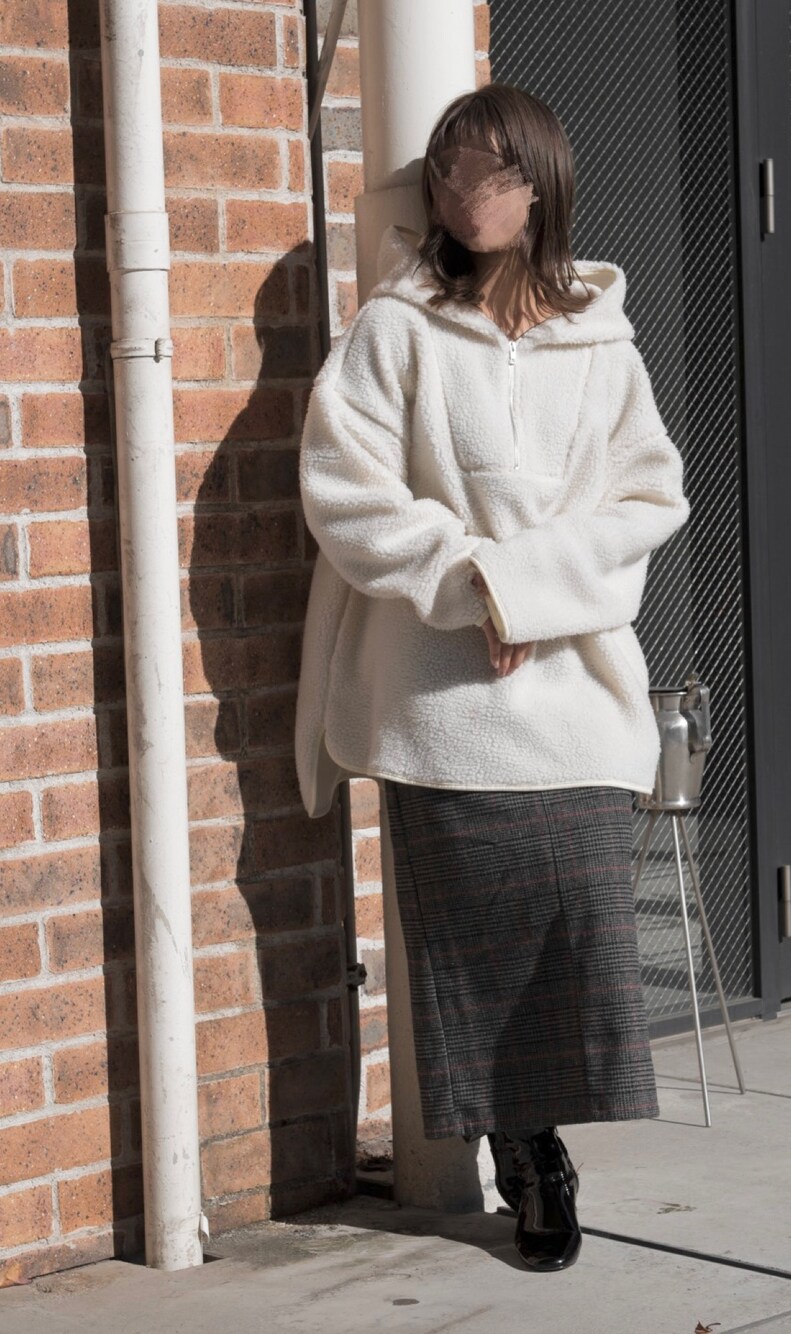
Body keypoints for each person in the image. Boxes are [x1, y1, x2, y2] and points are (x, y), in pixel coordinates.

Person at [295, 82, 690, 1272]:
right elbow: (345, 491)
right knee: (470, 942)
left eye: (495, 172)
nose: (469, 194)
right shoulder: (395, 327)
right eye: (451, 171)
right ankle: (529, 1151)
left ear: (543, 183)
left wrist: (527, 590)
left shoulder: (601, 339)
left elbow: (648, 499)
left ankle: (537, 1133)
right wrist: (471, 586)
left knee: (579, 931)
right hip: (445, 698)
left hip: (573, 694)